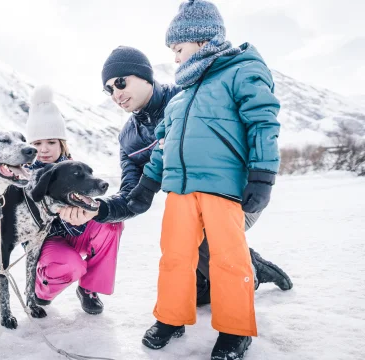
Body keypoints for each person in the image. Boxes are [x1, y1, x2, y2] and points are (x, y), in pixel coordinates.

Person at [126, 0, 283, 357]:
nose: (175, 59)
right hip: (180, 191)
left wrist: (262, 175)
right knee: (175, 256)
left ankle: (235, 330)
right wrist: (147, 185)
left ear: (201, 40)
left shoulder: (241, 70)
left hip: (222, 187)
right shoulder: (180, 97)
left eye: (178, 50)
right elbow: (163, 147)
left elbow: (263, 122)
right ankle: (171, 317)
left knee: (228, 258)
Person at [98, 44, 292, 305]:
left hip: (238, 194)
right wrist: (98, 209)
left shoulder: (188, 96)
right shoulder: (128, 138)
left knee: (198, 235)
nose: (116, 94)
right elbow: (132, 193)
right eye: (109, 89)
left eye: (121, 83)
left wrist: (261, 176)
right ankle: (236, 266)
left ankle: (248, 270)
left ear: (146, 76)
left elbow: (256, 121)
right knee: (195, 276)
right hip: (191, 207)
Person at [25, 85, 124, 315]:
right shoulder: (25, 176)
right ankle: (43, 288)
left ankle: (89, 289)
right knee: (69, 266)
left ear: (62, 143)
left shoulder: (76, 169)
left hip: (76, 232)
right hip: (45, 240)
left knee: (110, 224)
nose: (44, 149)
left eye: (51, 142)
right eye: (37, 144)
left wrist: (84, 216)